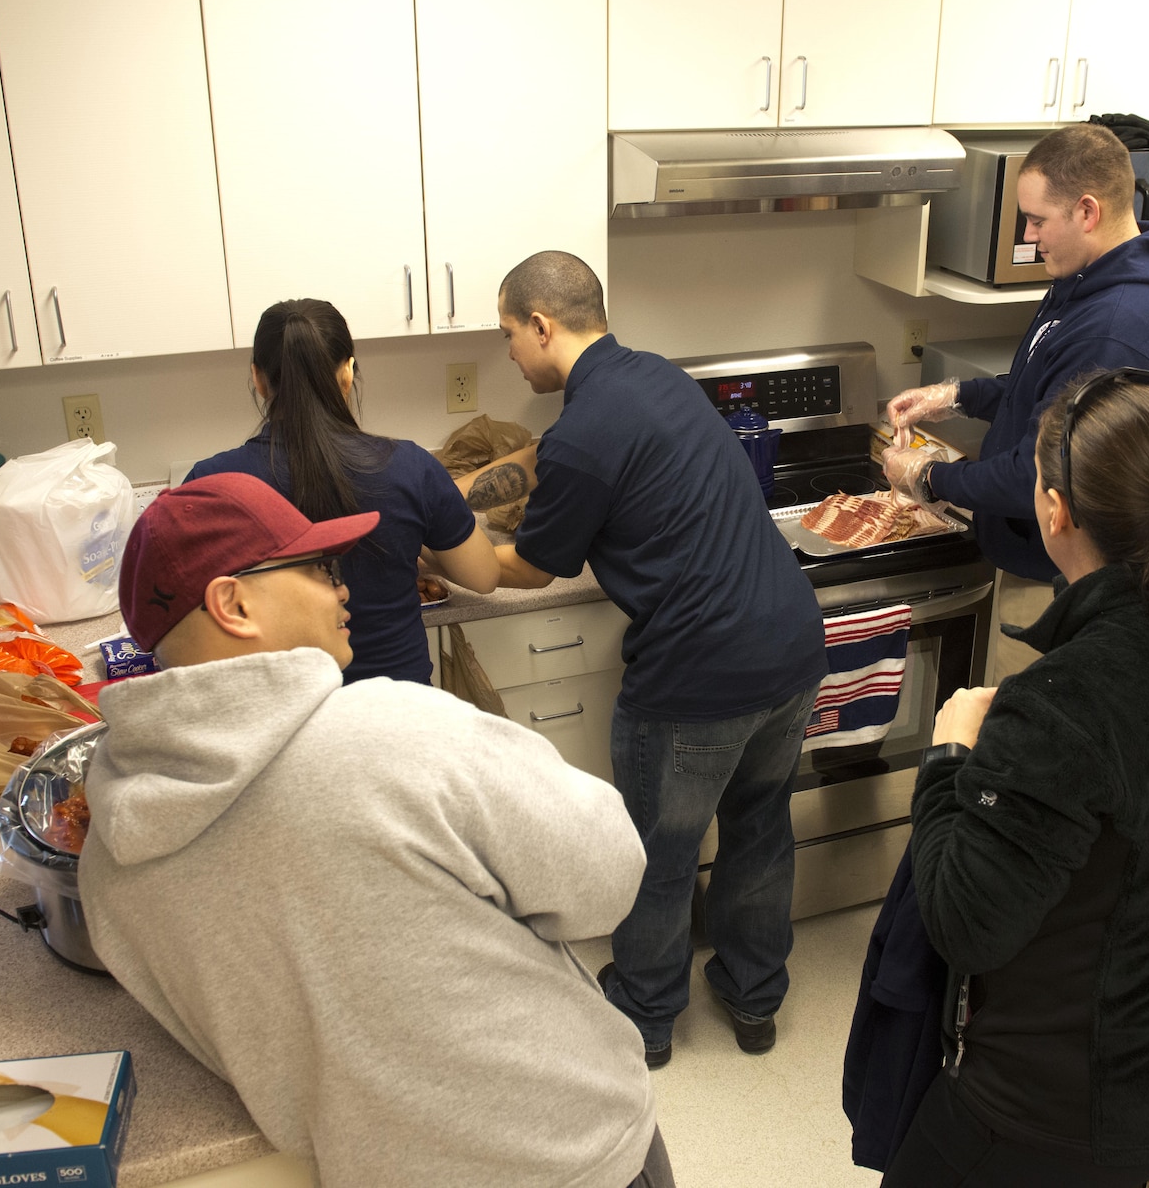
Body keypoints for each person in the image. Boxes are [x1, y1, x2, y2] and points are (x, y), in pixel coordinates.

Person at [78, 473, 671, 1188]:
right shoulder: (393, 731)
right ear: (233, 602)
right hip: (568, 1152)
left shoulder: (108, 861)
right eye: (319, 568)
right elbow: (609, 876)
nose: (343, 589)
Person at [880, 369, 1149, 1187]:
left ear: (1055, 510)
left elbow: (963, 921)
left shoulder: (1063, 704)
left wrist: (950, 756)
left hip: (1038, 1111)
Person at [471, 249, 828, 1070]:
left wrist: (455, 547)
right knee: (759, 828)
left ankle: (646, 1013)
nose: (509, 355)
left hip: (699, 673)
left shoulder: (587, 431)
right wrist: (454, 496)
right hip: (790, 646)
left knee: (658, 852)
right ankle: (753, 996)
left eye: (507, 336)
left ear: (540, 325)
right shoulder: (655, 377)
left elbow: (533, 565)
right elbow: (540, 458)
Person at [882, 124, 1149, 681]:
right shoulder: (1087, 281)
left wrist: (929, 479)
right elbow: (1042, 389)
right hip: (1044, 564)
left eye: (1037, 219)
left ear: (1086, 211)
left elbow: (1037, 474)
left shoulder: (1116, 326)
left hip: (1065, 586)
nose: (1029, 236)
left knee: (1025, 748)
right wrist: (957, 396)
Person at [186, 298, 497, 684]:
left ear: (258, 379)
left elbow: (193, 620)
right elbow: (484, 576)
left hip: (282, 717)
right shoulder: (411, 468)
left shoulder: (210, 485)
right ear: (348, 372)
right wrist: (407, 552)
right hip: (398, 708)